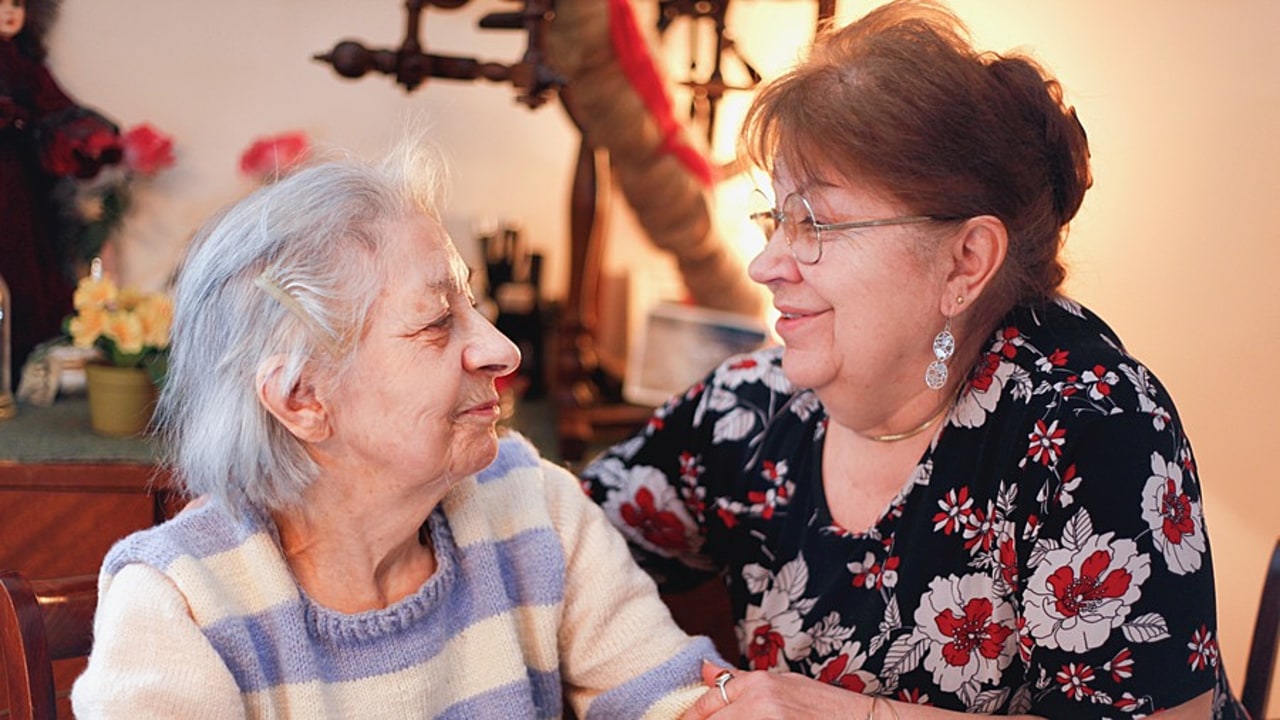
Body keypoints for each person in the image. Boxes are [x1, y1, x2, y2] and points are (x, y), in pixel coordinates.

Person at [580, 1, 1248, 718]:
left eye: (815, 224)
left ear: (965, 261)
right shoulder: (748, 409)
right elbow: (560, 540)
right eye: (776, 218)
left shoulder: (1091, 423)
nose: (765, 264)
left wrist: (848, 714)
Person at [70, 139, 720, 718]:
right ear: (302, 397)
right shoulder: (180, 606)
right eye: (437, 322)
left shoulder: (531, 505)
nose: (502, 351)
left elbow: (679, 700)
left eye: (473, 306)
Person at [1, 0, 121, 385]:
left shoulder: (26, 64)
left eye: (17, 3)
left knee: (25, 268)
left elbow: (56, 108)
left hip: (20, 189)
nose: (10, 12)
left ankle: (17, 364)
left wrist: (85, 140)